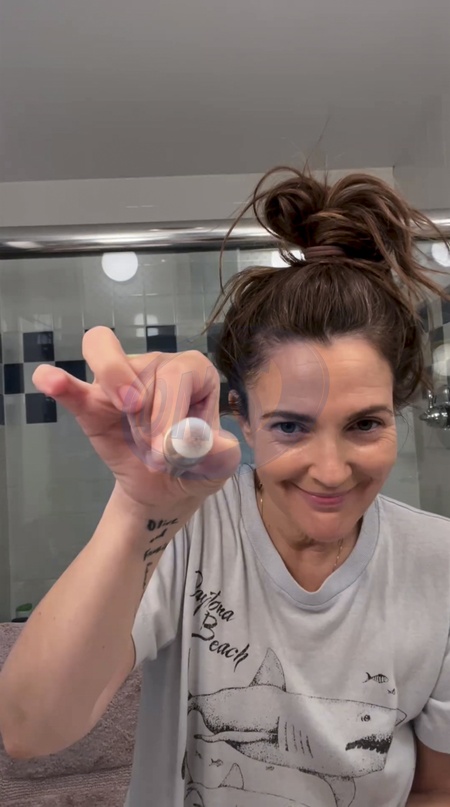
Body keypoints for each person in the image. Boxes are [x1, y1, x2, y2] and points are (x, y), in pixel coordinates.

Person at [1, 168, 450, 807]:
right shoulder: (189, 530)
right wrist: (140, 508)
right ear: (243, 418)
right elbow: (30, 730)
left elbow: (436, 788)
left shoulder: (441, 563)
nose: (330, 471)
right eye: (290, 426)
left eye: (364, 425)